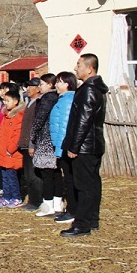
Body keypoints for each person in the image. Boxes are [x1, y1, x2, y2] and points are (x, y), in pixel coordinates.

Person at [60, 53, 108, 237]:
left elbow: (83, 120)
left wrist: (74, 145)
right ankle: (92, 220)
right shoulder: (94, 88)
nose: (75, 68)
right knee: (93, 184)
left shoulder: (89, 90)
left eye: (79, 65)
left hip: (86, 146)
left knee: (84, 186)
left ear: (89, 68)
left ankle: (82, 225)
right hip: (92, 145)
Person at [29, 73, 60, 217]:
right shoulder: (55, 98)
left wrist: (33, 135)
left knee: (48, 173)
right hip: (51, 138)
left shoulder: (48, 99)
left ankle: (48, 205)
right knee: (55, 173)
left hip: (46, 140)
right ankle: (57, 202)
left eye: (42, 84)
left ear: (50, 85)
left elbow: (39, 119)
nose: (39, 87)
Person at [50, 72, 77, 224]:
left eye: (59, 82)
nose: (56, 86)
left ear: (67, 83)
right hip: (61, 145)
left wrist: (60, 149)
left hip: (64, 146)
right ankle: (71, 208)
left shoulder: (67, 101)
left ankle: (73, 210)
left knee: (70, 180)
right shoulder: (62, 100)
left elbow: (64, 127)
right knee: (68, 179)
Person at [0, 90, 25, 208]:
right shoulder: (6, 116)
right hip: (3, 152)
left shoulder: (18, 116)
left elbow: (17, 135)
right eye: (4, 101)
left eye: (8, 101)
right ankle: (6, 197)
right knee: (5, 177)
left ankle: (16, 197)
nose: (5, 103)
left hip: (11, 153)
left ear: (16, 101)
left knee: (12, 177)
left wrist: (10, 149)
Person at [17, 78, 44, 212]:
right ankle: (32, 199)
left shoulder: (38, 103)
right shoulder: (29, 103)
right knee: (27, 174)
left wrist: (32, 143)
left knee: (33, 174)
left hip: (32, 144)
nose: (28, 89)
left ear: (38, 88)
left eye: (31, 86)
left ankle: (37, 200)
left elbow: (36, 125)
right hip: (25, 143)